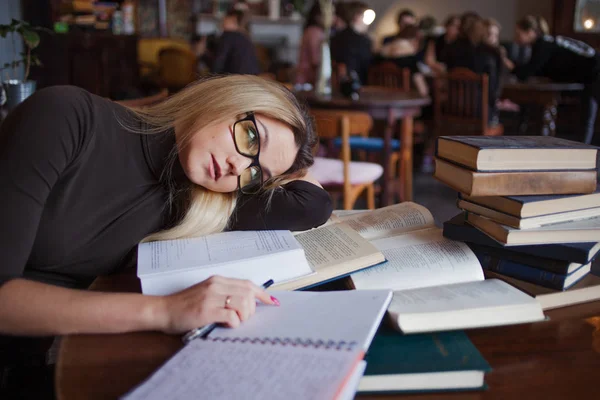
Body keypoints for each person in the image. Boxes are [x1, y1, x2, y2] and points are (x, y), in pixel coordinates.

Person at [0, 76, 332, 397]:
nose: (237, 167)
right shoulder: (65, 116)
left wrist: (291, 158)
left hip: (38, 364)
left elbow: (312, 205)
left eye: (255, 173)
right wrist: (165, 312)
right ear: (223, 100)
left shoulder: (195, 203)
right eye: (250, 137)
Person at [505, 15, 600, 144]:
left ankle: (583, 154)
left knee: (587, 118)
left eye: (518, 33)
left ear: (530, 32)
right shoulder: (547, 42)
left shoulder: (543, 44)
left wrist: (508, 64)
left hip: (595, 71)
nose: (516, 37)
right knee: (587, 118)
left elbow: (527, 72)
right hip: (592, 71)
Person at [444, 16, 503, 125]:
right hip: (478, 112)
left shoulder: (450, 49)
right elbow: (492, 89)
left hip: (453, 108)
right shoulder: (490, 53)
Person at [331, 1, 372, 84]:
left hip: (337, 85)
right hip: (358, 84)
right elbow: (367, 65)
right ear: (357, 17)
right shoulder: (362, 40)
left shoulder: (336, 37)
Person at [211, 9, 261, 75]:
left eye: (226, 18)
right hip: (251, 80)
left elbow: (218, 62)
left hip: (234, 80)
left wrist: (210, 80)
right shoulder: (246, 38)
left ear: (233, 19)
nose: (223, 20)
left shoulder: (228, 36)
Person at [296, 2, 325, 87]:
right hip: (307, 80)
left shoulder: (310, 30)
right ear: (318, 16)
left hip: (304, 77)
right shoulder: (314, 32)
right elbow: (315, 60)